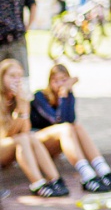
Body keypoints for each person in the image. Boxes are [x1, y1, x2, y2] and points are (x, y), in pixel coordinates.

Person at [30, 64, 111, 195]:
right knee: (66, 128)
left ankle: (104, 170)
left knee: (77, 127)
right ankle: (87, 175)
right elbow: (58, 120)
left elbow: (71, 119)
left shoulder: (68, 94)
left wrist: (67, 95)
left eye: (64, 80)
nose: (60, 84)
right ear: (49, 82)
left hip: (58, 139)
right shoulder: (40, 96)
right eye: (56, 81)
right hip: (37, 142)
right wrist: (63, 94)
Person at [0, 58, 66, 197]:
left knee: (29, 136)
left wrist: (23, 106)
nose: (16, 80)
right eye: (12, 76)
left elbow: (25, 130)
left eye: (19, 76)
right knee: (23, 139)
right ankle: (38, 184)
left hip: (12, 144)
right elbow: (5, 134)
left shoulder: (19, 98)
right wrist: (21, 109)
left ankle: (55, 179)